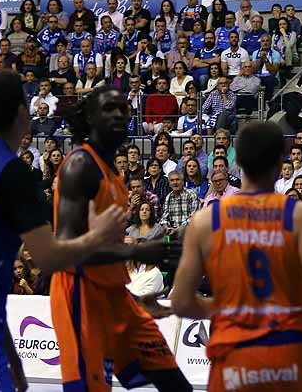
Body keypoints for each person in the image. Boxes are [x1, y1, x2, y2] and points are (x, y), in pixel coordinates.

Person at [0, 71, 128, 392]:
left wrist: (12, 358)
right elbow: (49, 259)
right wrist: (99, 233)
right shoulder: (11, 172)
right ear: (22, 113)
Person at [168, 121, 302, 392]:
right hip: (291, 353)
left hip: (233, 357)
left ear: (237, 162)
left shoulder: (205, 221)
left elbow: (181, 303)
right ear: (280, 163)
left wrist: (233, 306)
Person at [50, 86, 189, 392]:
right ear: (89, 117)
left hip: (116, 295)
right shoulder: (80, 165)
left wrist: (135, 300)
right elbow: (65, 251)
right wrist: (137, 252)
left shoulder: (113, 172)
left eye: (122, 109)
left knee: (177, 385)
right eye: (108, 108)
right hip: (80, 291)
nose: (117, 114)